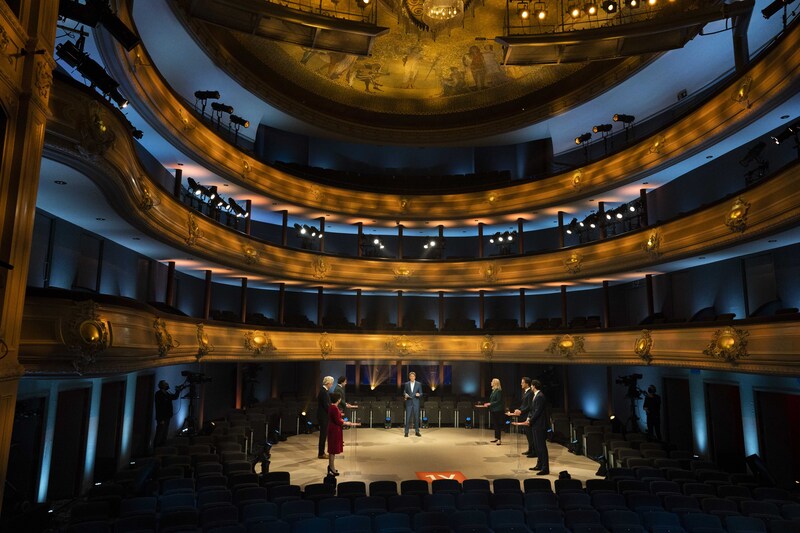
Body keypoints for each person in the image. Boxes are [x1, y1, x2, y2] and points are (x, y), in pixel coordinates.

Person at [514, 379, 549, 475]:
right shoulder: (536, 396)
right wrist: (529, 419)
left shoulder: (540, 396)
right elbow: (533, 411)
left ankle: (545, 467)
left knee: (541, 446)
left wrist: (530, 420)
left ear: (533, 386)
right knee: (537, 446)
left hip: (539, 425)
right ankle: (539, 464)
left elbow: (537, 411)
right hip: (535, 424)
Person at [327, 392, 360, 476]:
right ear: (338, 400)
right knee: (332, 450)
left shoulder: (332, 407)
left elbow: (335, 417)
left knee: (332, 450)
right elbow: (338, 421)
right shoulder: (334, 408)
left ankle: (331, 466)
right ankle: (331, 467)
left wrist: (340, 415)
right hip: (334, 429)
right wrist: (346, 423)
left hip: (333, 428)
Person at [507, 377, 534, 457]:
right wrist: (518, 410)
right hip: (524, 415)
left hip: (528, 416)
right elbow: (523, 405)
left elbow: (529, 406)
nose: (521, 384)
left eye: (522, 382)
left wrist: (521, 411)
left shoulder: (530, 393)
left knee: (530, 434)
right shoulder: (526, 392)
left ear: (527, 383)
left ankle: (533, 451)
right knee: (528, 434)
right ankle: (530, 449)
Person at [154, 380, 184, 447]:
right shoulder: (158, 394)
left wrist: (178, 390)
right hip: (162, 417)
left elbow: (174, 397)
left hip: (167, 416)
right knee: (159, 433)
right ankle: (156, 449)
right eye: (165, 384)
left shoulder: (167, 393)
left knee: (164, 433)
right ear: (162, 386)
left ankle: (162, 447)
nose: (167, 384)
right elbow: (159, 407)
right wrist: (161, 419)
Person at [483, 378, 505, 445]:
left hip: (498, 410)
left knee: (498, 425)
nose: (491, 382)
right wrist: (489, 404)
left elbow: (498, 401)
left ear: (495, 383)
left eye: (492, 381)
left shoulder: (498, 391)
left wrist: (490, 404)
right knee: (495, 425)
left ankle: (499, 439)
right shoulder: (494, 391)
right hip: (493, 410)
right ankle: (496, 437)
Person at [317, 376, 334, 459]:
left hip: (324, 416)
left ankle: (322, 452)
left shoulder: (324, 391)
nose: (331, 385)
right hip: (323, 416)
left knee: (324, 435)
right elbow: (326, 406)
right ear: (328, 383)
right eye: (331, 383)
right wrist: (333, 412)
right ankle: (321, 453)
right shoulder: (323, 392)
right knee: (323, 435)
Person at [403, 371, 423, 437]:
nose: (412, 377)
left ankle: (417, 431)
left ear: (415, 377)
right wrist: (405, 394)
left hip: (416, 402)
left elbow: (421, 393)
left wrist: (419, 394)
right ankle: (406, 432)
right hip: (408, 402)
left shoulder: (418, 384)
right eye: (411, 376)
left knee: (416, 417)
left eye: (413, 376)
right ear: (409, 377)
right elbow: (404, 391)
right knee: (407, 417)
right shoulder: (406, 384)